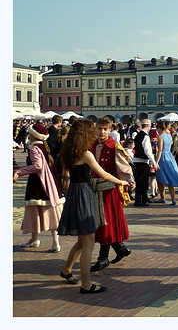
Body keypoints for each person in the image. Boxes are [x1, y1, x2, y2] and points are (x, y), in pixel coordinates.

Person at [57, 119, 130, 294]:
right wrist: (122, 181)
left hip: (74, 192)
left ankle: (66, 270)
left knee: (82, 241)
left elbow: (66, 175)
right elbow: (103, 173)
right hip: (84, 194)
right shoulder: (85, 153)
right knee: (88, 242)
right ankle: (86, 284)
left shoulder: (68, 151)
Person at [89, 116, 136, 272]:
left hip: (109, 190)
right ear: (95, 129)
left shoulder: (114, 146)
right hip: (95, 190)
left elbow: (124, 167)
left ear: (110, 130)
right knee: (102, 222)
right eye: (99, 128)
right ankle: (120, 248)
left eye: (105, 129)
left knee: (106, 222)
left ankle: (103, 258)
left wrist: (130, 181)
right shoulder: (92, 145)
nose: (102, 131)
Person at [13, 123, 65, 252]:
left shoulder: (34, 148)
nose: (28, 135)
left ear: (33, 135)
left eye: (30, 133)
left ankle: (36, 239)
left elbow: (38, 166)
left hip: (38, 184)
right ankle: (53, 242)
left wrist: (20, 171)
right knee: (51, 211)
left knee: (36, 211)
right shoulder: (43, 147)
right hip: (51, 183)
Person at [155, 120, 178, 205]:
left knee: (160, 178)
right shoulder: (169, 136)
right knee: (170, 177)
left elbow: (160, 150)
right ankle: (173, 199)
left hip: (163, 157)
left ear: (159, 128)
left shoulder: (160, 137)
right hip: (169, 156)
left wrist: (156, 161)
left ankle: (163, 197)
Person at [132, 119, 158, 206]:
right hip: (143, 160)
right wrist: (154, 161)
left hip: (137, 159)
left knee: (142, 179)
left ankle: (144, 197)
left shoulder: (138, 135)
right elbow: (148, 151)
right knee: (142, 180)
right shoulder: (145, 136)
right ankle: (138, 200)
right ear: (148, 126)